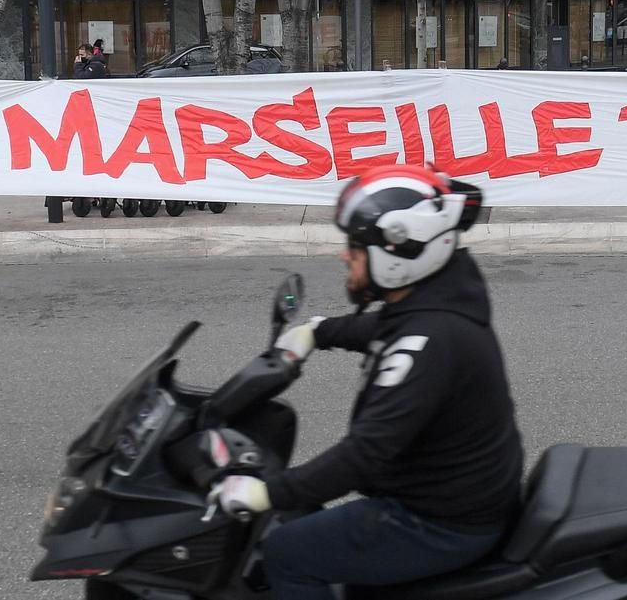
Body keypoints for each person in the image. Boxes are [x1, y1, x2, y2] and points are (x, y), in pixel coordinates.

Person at [212, 165, 524, 600]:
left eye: (356, 249)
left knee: (286, 550)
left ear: (398, 254)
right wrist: (317, 332)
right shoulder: (437, 303)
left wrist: (267, 493)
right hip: (457, 497)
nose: (345, 256)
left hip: (439, 521)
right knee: (301, 514)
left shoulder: (428, 342)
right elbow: (385, 326)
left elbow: (364, 456)